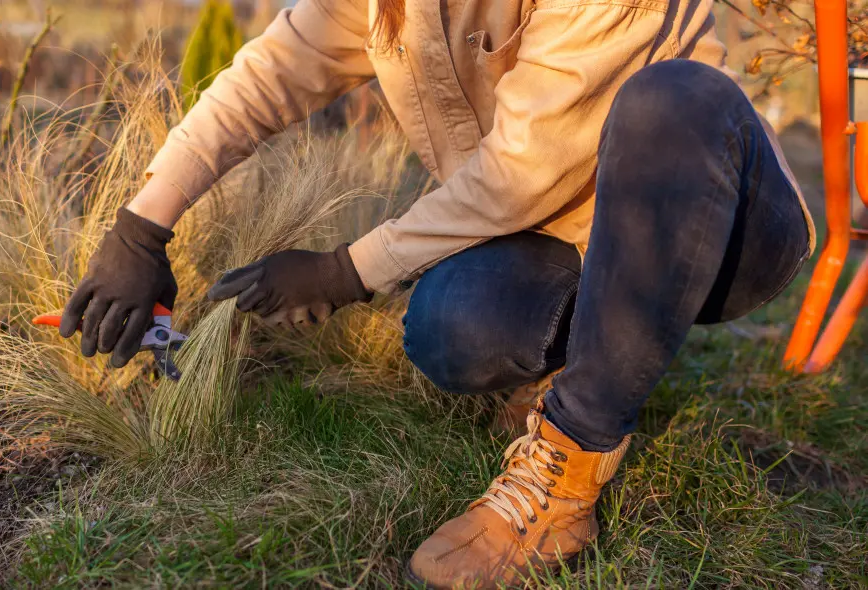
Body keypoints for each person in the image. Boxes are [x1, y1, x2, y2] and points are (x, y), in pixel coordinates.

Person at [58, 0, 815, 584]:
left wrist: (343, 270)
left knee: (674, 98)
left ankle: (570, 463)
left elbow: (524, 167)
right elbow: (270, 75)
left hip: (717, 224)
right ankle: (590, 361)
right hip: (552, 233)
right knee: (451, 330)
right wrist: (140, 229)